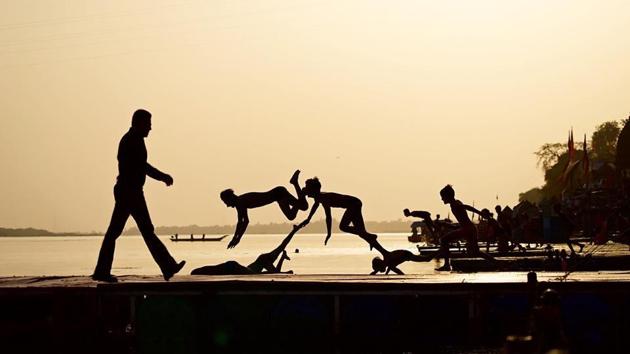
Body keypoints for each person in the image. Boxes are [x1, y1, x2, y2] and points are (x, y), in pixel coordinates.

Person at [93, 109, 185, 282]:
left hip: (132, 191)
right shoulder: (131, 141)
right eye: (148, 124)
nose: (151, 128)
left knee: (140, 230)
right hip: (128, 191)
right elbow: (144, 167)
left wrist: (161, 176)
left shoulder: (135, 140)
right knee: (120, 231)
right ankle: (102, 271)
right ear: (139, 123)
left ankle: (168, 266)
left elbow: (143, 165)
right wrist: (163, 176)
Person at [221, 170, 308, 248]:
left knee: (304, 207)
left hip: (279, 193)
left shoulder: (240, 202)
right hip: (278, 196)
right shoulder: (240, 202)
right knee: (291, 215)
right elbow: (242, 222)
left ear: (231, 198)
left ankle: (295, 183)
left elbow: (243, 222)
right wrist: (236, 238)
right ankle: (301, 193)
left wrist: (237, 238)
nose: (227, 205)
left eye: (226, 202)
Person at [428, 185, 496, 271]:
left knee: (444, 240)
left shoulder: (455, 204)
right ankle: (496, 262)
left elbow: (467, 207)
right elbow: (460, 223)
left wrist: (480, 213)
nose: (442, 199)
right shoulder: (456, 203)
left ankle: (446, 265)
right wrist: (446, 224)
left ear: (447, 196)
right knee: (476, 252)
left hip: (468, 229)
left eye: (442, 197)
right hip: (470, 229)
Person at [191, 224, 302, 275]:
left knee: (219, 269)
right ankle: (198, 271)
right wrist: (285, 272)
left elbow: (274, 272)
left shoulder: (267, 259)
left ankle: (198, 271)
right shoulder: (266, 259)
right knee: (220, 269)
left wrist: (294, 231)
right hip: (241, 270)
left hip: (240, 268)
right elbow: (273, 273)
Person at [298, 177, 377, 248]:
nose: (306, 190)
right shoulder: (319, 197)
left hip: (354, 204)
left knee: (343, 227)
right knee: (361, 232)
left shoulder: (324, 199)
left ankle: (370, 236)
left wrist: (329, 233)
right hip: (355, 203)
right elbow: (315, 206)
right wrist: (308, 218)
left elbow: (328, 217)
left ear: (313, 191)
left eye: (307, 189)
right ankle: (375, 242)